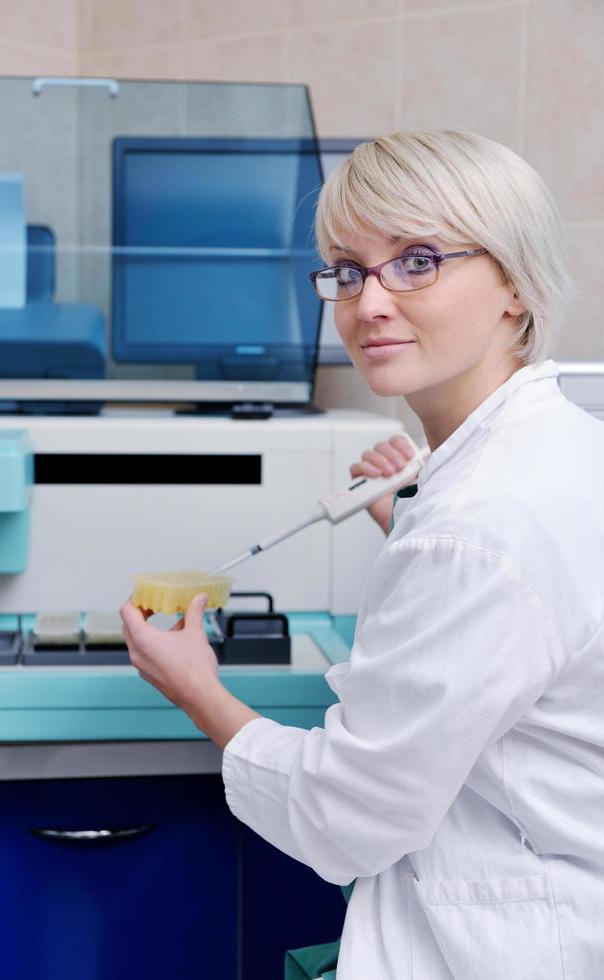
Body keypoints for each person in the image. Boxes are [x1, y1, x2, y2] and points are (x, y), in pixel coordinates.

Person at [120, 131, 604, 979]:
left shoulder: (480, 521)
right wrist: (406, 523)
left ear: (516, 287)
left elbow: (348, 816)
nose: (368, 303)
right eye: (347, 270)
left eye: (417, 260)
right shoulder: (556, 448)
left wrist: (196, 689)